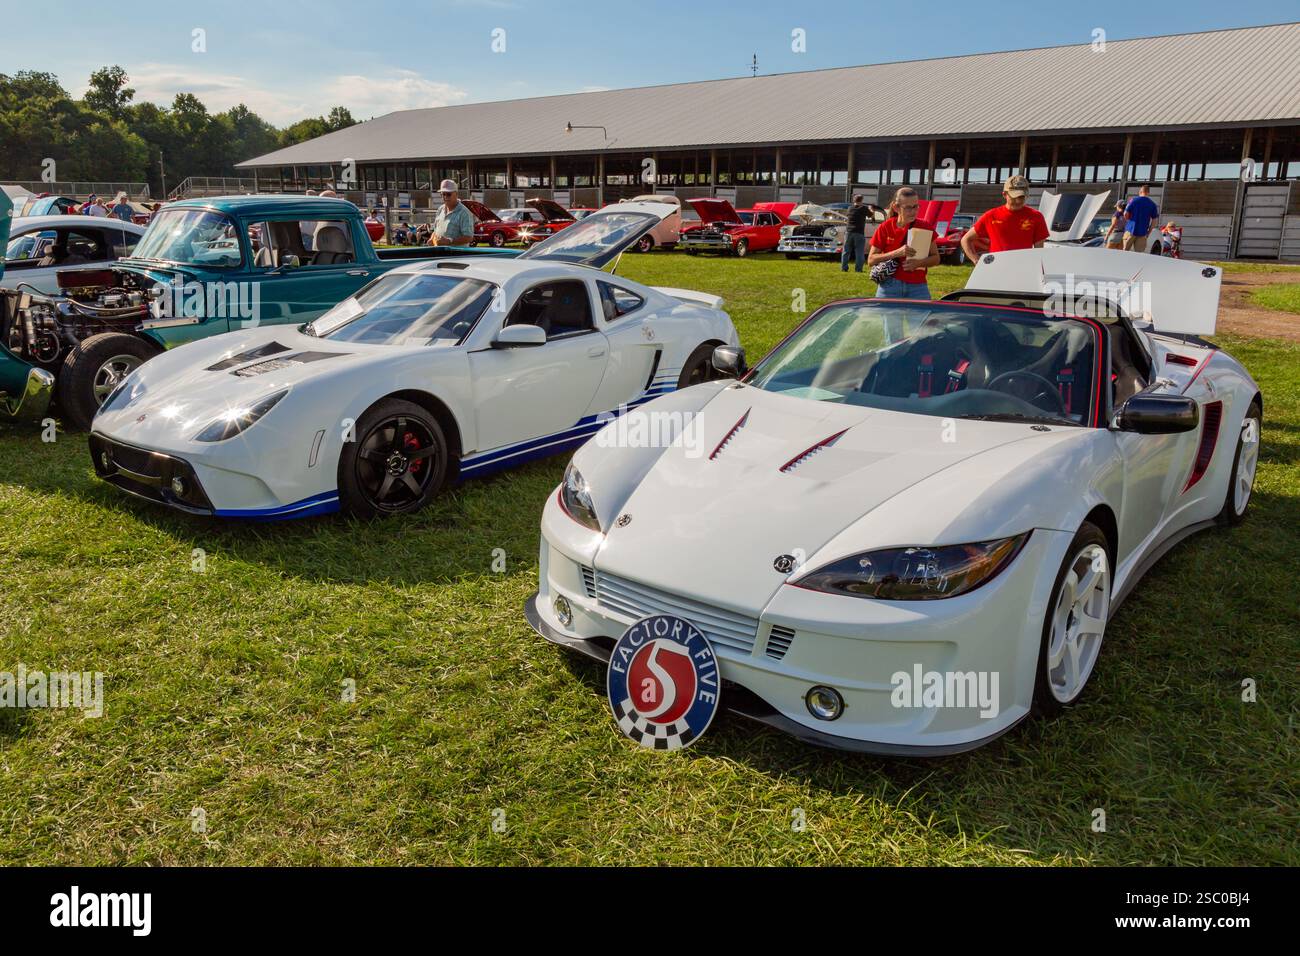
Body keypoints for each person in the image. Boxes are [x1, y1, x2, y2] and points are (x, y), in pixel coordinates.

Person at [867, 186, 940, 300]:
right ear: (896, 207)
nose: (913, 211)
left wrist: (918, 263)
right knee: (891, 318)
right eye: (908, 208)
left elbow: (936, 258)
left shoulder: (925, 227)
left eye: (916, 206)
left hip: (918, 286)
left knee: (920, 318)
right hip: (889, 285)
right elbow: (871, 260)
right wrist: (896, 253)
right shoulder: (886, 227)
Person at [960, 174, 1048, 261]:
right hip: (996, 270)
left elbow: (1039, 251)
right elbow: (965, 239)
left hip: (1023, 270)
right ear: (1004, 194)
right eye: (1014, 197)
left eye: (1021, 197)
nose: (1018, 201)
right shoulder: (991, 216)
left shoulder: (1036, 217)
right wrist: (976, 260)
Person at [428, 179, 474, 247]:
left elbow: (469, 237)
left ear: (456, 194)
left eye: (449, 194)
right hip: (441, 254)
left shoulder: (464, 213)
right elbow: (435, 231)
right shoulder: (440, 210)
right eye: (443, 194)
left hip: (457, 255)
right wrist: (431, 239)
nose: (445, 197)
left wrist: (449, 241)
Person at [1122, 185, 1160, 253]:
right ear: (1148, 192)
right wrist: (1148, 232)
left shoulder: (1133, 200)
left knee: (1125, 252)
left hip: (1130, 230)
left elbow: (1125, 214)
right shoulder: (1152, 204)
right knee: (1139, 255)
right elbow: (1154, 221)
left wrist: (1128, 220)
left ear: (1140, 191)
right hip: (1142, 233)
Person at [841, 193, 870, 272]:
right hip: (859, 232)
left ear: (854, 200)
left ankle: (844, 268)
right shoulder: (864, 208)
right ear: (862, 200)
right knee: (859, 252)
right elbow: (870, 215)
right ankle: (858, 269)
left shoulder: (850, 208)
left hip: (848, 232)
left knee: (846, 251)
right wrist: (872, 210)